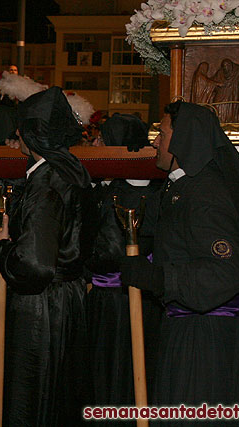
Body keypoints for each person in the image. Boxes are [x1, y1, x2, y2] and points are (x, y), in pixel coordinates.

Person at [120, 101, 239, 422]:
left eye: (161, 134)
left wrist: (161, 279)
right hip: (186, 326)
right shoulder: (181, 186)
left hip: (204, 339)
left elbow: (225, 271)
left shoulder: (205, 193)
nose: (155, 142)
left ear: (182, 140)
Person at [0, 87, 91, 425]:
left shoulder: (47, 182)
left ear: (34, 133)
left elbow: (34, 263)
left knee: (32, 398)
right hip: (67, 300)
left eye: (22, 127)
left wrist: (2, 247)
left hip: (42, 308)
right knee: (60, 395)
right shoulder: (73, 170)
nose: (16, 134)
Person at [84, 113, 161, 411]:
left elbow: (106, 251)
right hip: (136, 296)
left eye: (103, 138)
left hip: (115, 299)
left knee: (117, 373)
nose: (96, 143)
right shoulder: (149, 187)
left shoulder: (121, 193)